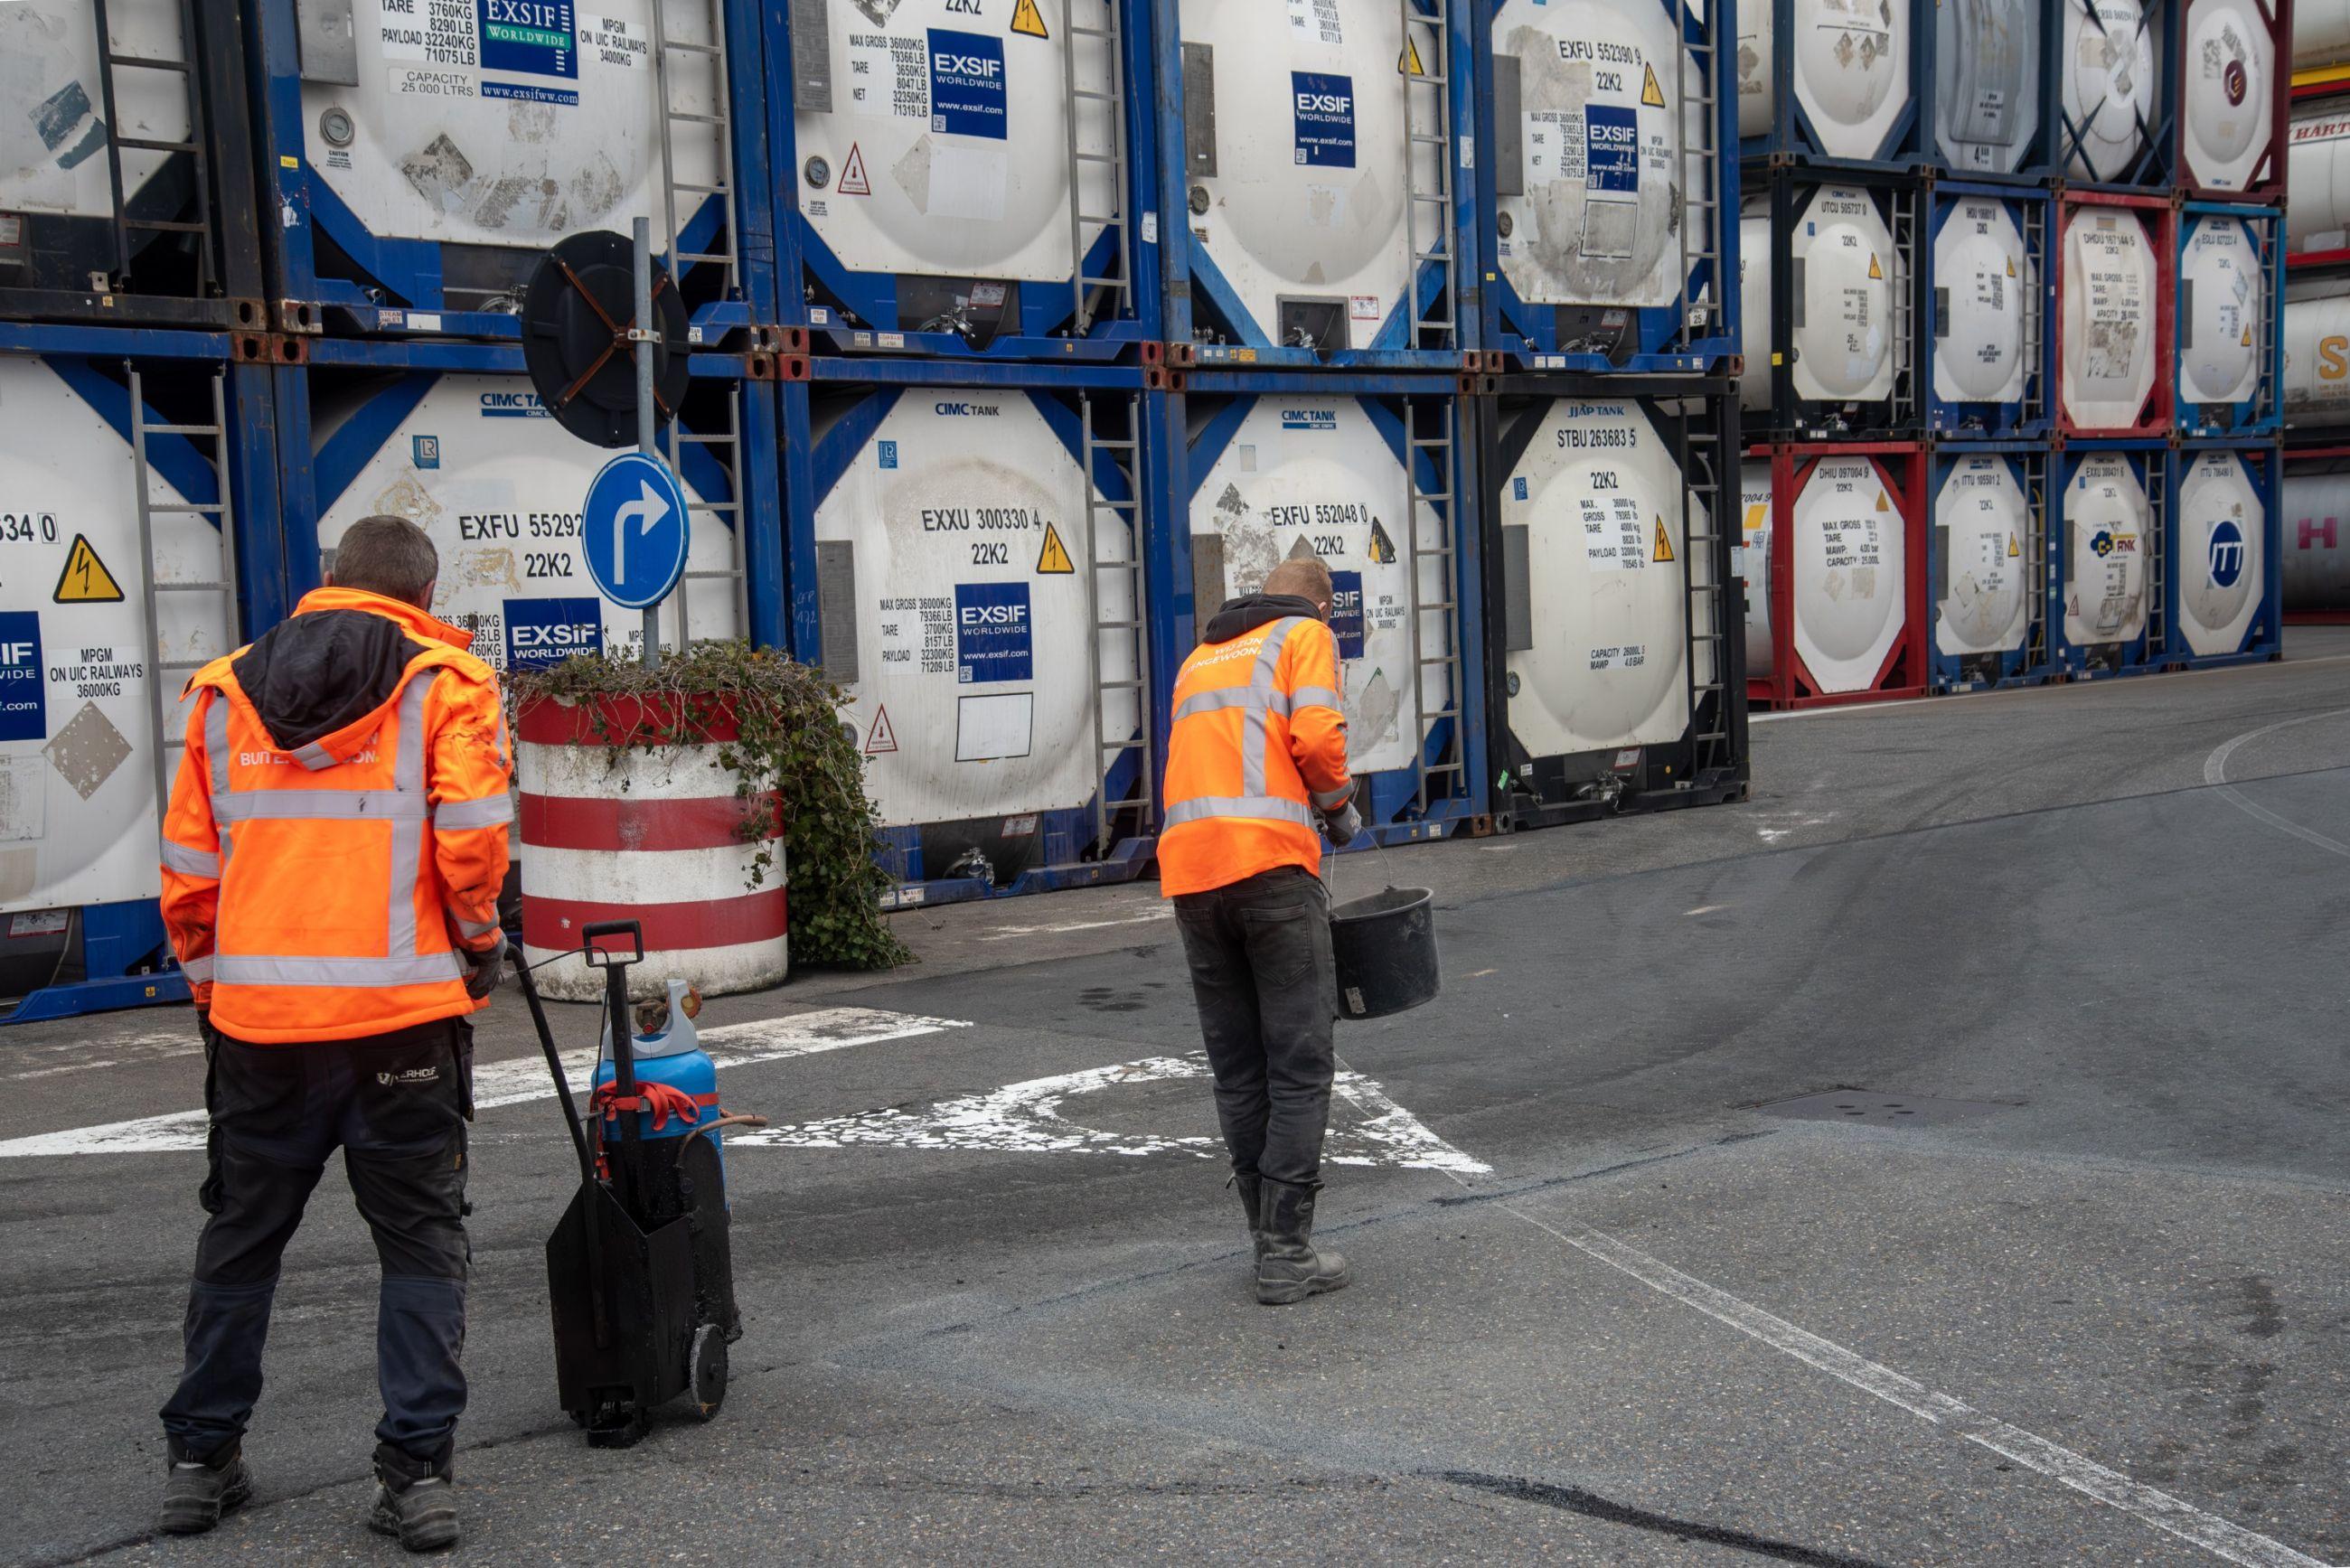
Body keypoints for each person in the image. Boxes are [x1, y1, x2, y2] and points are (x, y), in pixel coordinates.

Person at [154, 515, 513, 1553]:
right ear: (423, 593)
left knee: (240, 1241)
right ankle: (416, 1478)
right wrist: (478, 942)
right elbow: (471, 839)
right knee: (418, 1245)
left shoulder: (223, 691)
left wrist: (216, 990)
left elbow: (189, 872)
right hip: (402, 1024)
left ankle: (199, 1459)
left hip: (260, 1028)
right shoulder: (446, 682)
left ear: (327, 582)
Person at [1159, 555, 1363, 1305]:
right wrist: (1339, 809)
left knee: (1239, 1069)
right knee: (1300, 1064)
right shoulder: (1305, 636)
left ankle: (1262, 1237)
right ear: (1320, 604)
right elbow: (1315, 741)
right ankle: (1285, 1252)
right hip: (1271, 870)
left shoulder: (1201, 656)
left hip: (1192, 878)